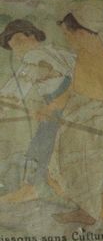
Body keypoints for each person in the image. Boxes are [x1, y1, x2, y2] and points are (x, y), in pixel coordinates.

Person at [37, 8, 103, 241]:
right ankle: (87, 211)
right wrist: (51, 106)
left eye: (68, 34)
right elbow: (73, 89)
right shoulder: (83, 55)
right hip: (79, 117)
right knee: (74, 165)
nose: (67, 39)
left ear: (82, 33)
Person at [0, 18, 75, 202]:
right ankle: (50, 187)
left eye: (18, 42)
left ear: (32, 36)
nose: (16, 49)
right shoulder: (54, 52)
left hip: (66, 106)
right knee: (45, 144)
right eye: (12, 46)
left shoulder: (36, 56)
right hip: (66, 105)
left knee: (41, 143)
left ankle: (30, 189)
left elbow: (18, 87)